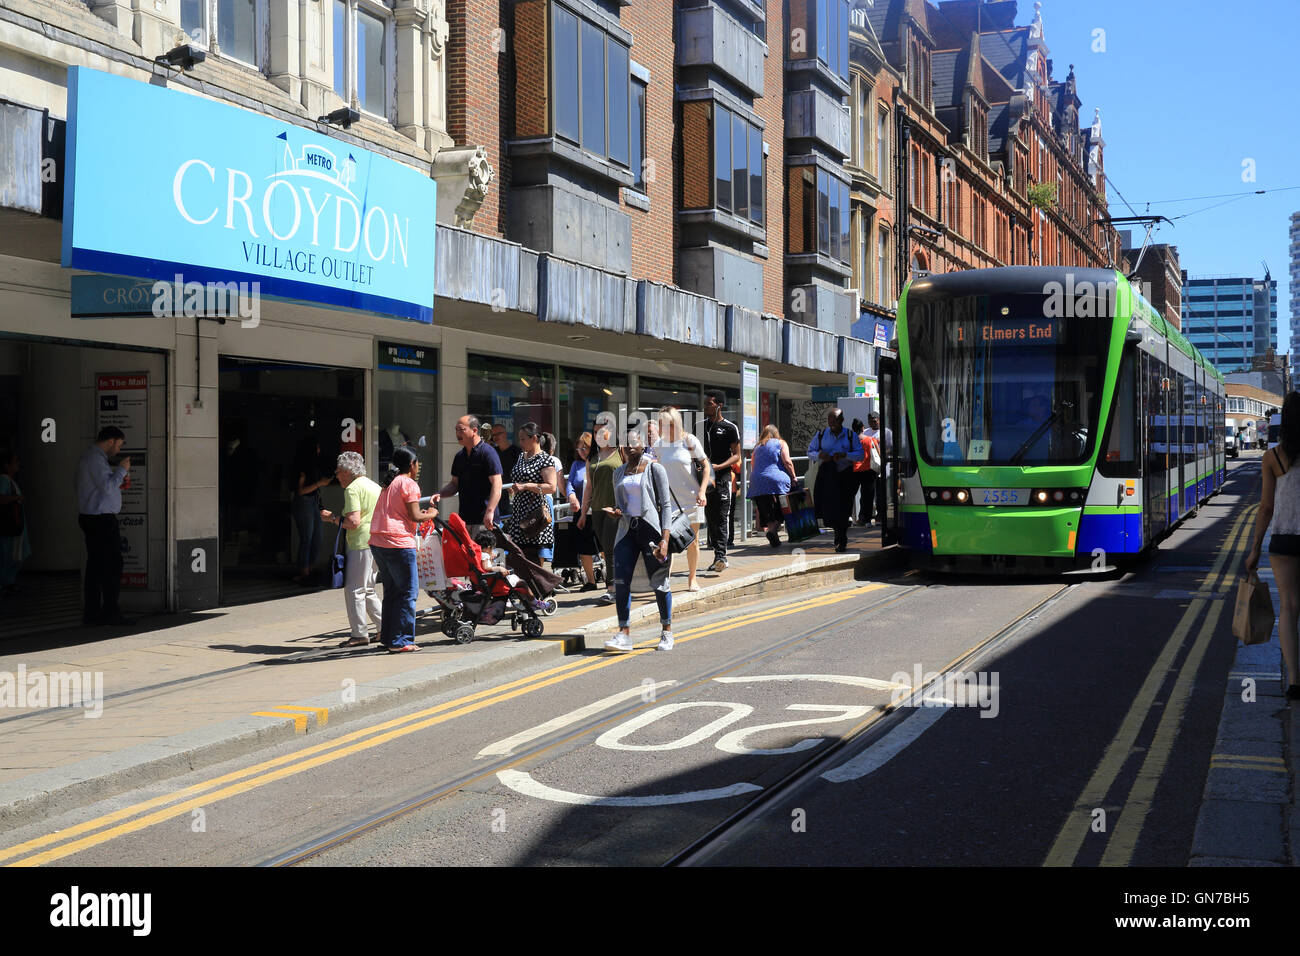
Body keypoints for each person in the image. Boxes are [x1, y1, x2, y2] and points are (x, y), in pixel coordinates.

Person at [1247, 391, 1300, 699]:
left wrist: (1255, 549)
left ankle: (1295, 681)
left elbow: (1265, 507)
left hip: (1283, 540)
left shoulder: (1274, 458)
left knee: (1290, 610)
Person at [603, 429, 675, 653]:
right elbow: (621, 504)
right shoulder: (618, 473)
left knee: (659, 581)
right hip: (627, 531)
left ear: (643, 444)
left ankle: (667, 631)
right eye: (626, 443)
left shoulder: (655, 469)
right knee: (621, 581)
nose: (630, 446)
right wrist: (616, 512)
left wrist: (665, 539)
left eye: (634, 442)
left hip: (651, 531)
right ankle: (624, 634)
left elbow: (666, 505)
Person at [369, 446, 437, 653]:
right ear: (412, 464)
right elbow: (415, 516)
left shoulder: (389, 483)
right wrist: (432, 513)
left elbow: (404, 512)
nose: (418, 467)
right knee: (408, 592)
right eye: (417, 463)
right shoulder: (409, 483)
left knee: (391, 592)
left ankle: (389, 638)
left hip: (378, 541)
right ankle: (402, 641)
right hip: (398, 543)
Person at [321, 452, 383, 648]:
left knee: (354, 590)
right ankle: (385, 627)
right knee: (368, 589)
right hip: (376, 541)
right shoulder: (374, 486)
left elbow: (353, 521)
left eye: (339, 471)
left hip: (360, 543)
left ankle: (359, 634)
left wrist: (331, 518)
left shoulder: (352, 489)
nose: (337, 475)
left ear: (348, 471)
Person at [76, 426, 131, 626]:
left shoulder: (94, 458)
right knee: (111, 566)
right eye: (119, 444)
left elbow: (105, 486)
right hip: (100, 520)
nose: (118, 450)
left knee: (98, 567)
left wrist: (119, 480)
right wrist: (122, 469)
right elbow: (106, 486)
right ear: (111, 441)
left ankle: (95, 613)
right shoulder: (94, 459)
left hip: (96, 519)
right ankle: (108, 612)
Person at [652, 407, 710, 591]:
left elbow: (706, 466)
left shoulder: (689, 440)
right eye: (661, 424)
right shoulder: (659, 445)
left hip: (691, 499)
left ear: (675, 423)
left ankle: (692, 579)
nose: (663, 428)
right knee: (666, 542)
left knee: (692, 541)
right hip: (669, 502)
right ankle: (665, 581)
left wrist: (702, 492)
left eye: (667, 424)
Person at [578, 422, 623, 604]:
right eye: (595, 432)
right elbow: (589, 487)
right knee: (606, 549)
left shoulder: (621, 452)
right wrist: (583, 514)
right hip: (597, 509)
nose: (597, 434)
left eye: (601, 431)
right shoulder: (593, 457)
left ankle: (612, 589)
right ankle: (619, 584)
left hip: (615, 508)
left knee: (611, 549)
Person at [503, 422, 557, 568]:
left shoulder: (545, 459)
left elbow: (551, 487)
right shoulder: (522, 457)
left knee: (533, 554)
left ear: (534, 438)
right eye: (519, 439)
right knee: (519, 553)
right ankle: (527, 587)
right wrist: (515, 489)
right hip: (519, 512)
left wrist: (527, 486)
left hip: (535, 514)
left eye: (523, 439)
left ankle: (538, 587)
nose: (520, 442)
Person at [809, 408, 861, 552]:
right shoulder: (821, 435)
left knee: (844, 508)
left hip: (845, 475)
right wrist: (820, 455)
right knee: (829, 508)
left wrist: (845, 455)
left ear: (842, 420)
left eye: (835, 419)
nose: (832, 422)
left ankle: (841, 537)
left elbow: (860, 454)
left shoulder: (850, 435)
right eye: (830, 419)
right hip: (827, 476)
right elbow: (810, 451)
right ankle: (837, 534)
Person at [441, 415, 503, 537]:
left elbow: (497, 484)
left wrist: (490, 511)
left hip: (485, 521)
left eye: (461, 429)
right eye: (456, 430)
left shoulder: (488, 452)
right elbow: (454, 484)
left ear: (474, 430)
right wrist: (440, 494)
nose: (457, 433)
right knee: (468, 556)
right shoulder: (459, 456)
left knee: (485, 556)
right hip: (465, 520)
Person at [702, 389, 740, 573]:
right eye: (705, 403)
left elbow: (737, 456)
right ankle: (717, 555)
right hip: (705, 481)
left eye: (709, 404)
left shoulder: (729, 428)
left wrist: (719, 466)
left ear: (719, 406)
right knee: (710, 518)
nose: (705, 407)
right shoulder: (699, 427)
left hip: (723, 479)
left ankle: (721, 556)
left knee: (721, 517)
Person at [748, 425, 798, 547]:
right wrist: (793, 477)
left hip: (757, 482)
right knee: (782, 507)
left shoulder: (757, 447)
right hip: (776, 480)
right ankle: (773, 531)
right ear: (776, 433)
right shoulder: (781, 443)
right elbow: (787, 462)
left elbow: (753, 465)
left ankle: (772, 533)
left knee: (767, 510)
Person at [291, 434, 331, 584]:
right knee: (307, 538)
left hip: (312, 501)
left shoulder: (314, 465)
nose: (319, 449)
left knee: (317, 537)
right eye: (317, 447)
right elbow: (300, 491)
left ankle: (309, 569)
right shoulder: (302, 466)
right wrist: (320, 483)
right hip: (304, 502)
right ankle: (304, 572)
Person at [565, 431, 600, 590]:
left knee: (604, 545)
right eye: (579, 449)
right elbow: (570, 483)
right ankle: (590, 581)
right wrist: (571, 496)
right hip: (582, 512)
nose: (582, 452)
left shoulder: (599, 462)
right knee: (585, 547)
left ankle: (611, 578)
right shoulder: (576, 465)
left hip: (599, 510)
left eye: (585, 448)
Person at [0, 448, 31, 594]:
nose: (18, 464)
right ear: (7, 465)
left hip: (14, 526)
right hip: (11, 527)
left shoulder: (9, 481)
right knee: (10, 556)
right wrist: (17, 498)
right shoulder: (4, 480)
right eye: (15, 461)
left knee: (12, 556)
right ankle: (6, 583)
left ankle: (8, 583)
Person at [539, 431, 563, 566]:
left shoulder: (532, 458)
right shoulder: (554, 461)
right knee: (545, 537)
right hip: (546, 501)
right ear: (552, 448)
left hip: (530, 500)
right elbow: (560, 484)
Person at [864, 411, 892, 525]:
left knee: (881, 493)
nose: (872, 423)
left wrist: (879, 454)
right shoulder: (866, 432)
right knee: (868, 492)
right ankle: (866, 516)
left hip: (881, 466)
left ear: (879, 420)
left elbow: (891, 448)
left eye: (874, 421)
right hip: (868, 467)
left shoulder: (886, 432)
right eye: (870, 421)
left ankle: (880, 516)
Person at [852, 419, 881, 526]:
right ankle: (867, 520)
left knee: (850, 495)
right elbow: (878, 454)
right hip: (869, 471)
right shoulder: (870, 440)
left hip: (854, 471)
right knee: (868, 496)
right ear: (863, 428)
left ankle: (851, 518)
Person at [491, 423, 522, 518]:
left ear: (505, 434)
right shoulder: (492, 452)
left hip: (512, 492)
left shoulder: (517, 452)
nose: (495, 437)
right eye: (493, 435)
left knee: (511, 518)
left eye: (498, 434)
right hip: (497, 491)